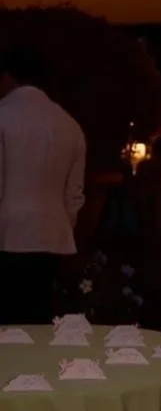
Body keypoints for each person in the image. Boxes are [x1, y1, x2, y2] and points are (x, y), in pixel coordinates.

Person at [0, 47, 86, 324]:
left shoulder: (3, 115)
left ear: (8, 77)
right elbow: (74, 194)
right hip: (53, 235)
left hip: (8, 233)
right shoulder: (69, 123)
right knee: (38, 319)